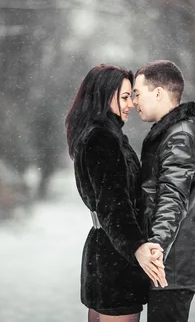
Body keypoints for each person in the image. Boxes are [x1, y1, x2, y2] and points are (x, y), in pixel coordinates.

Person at [65, 64, 167, 322]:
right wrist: (137, 247)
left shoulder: (102, 135)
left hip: (104, 251)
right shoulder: (103, 139)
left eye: (131, 96)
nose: (131, 103)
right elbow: (113, 205)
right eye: (124, 97)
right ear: (102, 97)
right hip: (116, 260)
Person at [132, 60, 195, 322]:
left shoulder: (180, 135)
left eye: (137, 93)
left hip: (172, 266)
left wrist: (156, 246)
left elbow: (172, 197)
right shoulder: (174, 131)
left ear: (158, 93)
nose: (133, 102)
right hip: (172, 263)